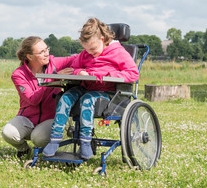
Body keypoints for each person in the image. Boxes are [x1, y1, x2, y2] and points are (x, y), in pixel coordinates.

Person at [43, 18, 139, 160]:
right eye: (86, 49)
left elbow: (133, 73)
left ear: (103, 39)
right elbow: (74, 68)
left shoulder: (119, 52)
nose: (90, 53)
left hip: (108, 93)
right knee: (65, 98)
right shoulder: (85, 54)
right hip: (85, 86)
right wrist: (79, 73)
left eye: (93, 49)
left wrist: (104, 75)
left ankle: (86, 141)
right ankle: (55, 139)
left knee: (88, 100)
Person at [1, 36, 76, 159]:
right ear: (30, 57)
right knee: (8, 133)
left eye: (47, 49)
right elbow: (33, 99)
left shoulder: (55, 63)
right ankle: (24, 149)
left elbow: (77, 58)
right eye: (41, 52)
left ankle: (49, 148)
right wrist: (53, 78)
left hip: (51, 119)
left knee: (38, 138)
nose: (47, 54)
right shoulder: (18, 74)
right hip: (27, 118)